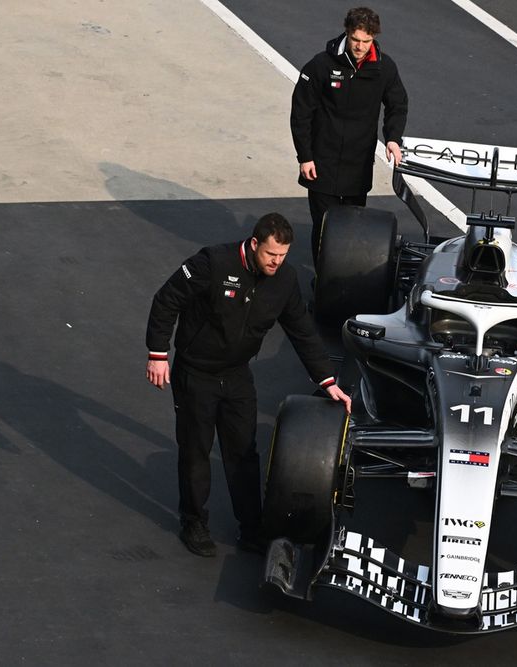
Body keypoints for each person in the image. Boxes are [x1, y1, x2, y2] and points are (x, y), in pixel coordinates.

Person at [145, 213, 352, 557]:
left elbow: (302, 331)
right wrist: (157, 354)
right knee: (196, 449)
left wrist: (327, 380)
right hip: (196, 373)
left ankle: (252, 528)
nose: (276, 262)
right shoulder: (212, 263)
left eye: (283, 255)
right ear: (254, 244)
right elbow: (167, 299)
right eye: (271, 254)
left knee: (243, 452)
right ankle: (194, 522)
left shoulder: (284, 280)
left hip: (237, 375)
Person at [290, 6, 408, 265]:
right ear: (347, 32)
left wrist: (393, 138)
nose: (360, 47)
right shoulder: (321, 65)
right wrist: (305, 156)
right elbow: (301, 112)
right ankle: (322, 280)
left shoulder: (384, 68)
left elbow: (398, 104)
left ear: (374, 38)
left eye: (366, 41)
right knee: (324, 229)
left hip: (358, 165)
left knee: (351, 229)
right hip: (321, 164)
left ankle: (344, 279)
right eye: (355, 39)